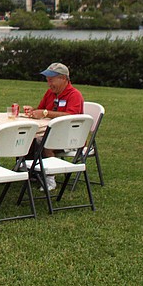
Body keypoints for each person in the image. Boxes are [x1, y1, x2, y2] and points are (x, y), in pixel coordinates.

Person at [23, 62, 85, 191]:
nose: (49, 84)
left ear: (63, 78)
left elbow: (70, 116)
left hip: (71, 137)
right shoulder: (50, 93)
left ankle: (49, 178)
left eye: (51, 80)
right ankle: (29, 171)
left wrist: (46, 113)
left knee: (44, 141)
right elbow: (41, 109)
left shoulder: (74, 95)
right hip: (51, 132)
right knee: (28, 137)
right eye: (47, 80)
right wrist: (33, 111)